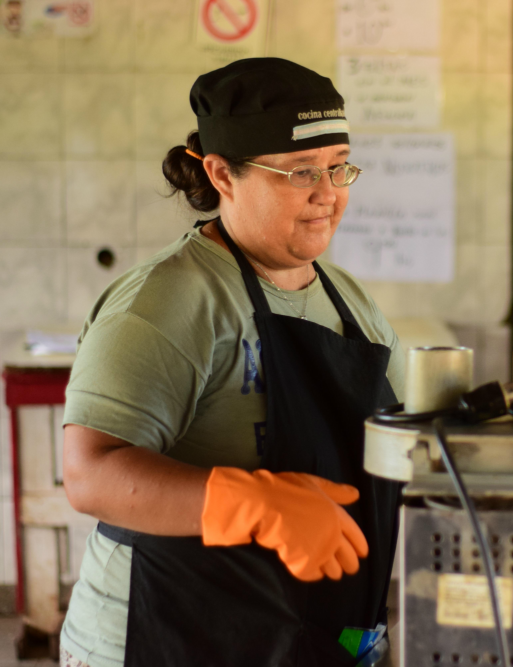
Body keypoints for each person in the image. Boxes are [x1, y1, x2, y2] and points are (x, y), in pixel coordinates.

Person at [58, 58, 405, 667]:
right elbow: (90, 474)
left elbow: (407, 448)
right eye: (300, 172)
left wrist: (507, 518)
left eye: (338, 167)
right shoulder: (167, 302)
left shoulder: (351, 303)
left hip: (306, 640)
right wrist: (257, 504)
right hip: (166, 640)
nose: (328, 194)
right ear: (222, 174)